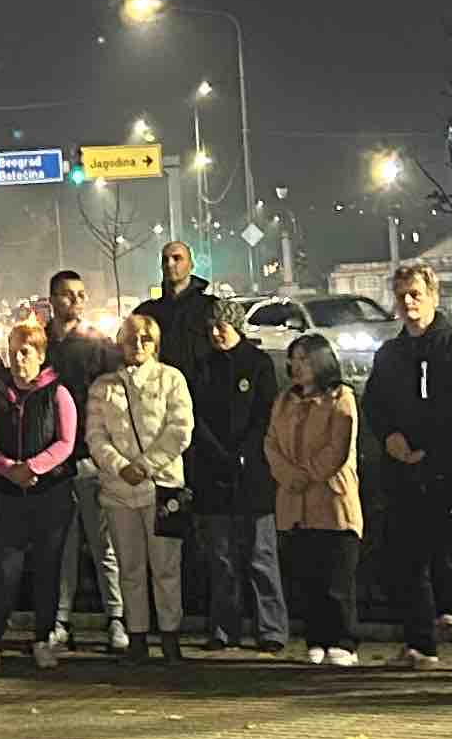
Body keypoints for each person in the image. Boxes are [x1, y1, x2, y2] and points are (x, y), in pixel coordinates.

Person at [356, 265, 452, 673]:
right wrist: (390, 437)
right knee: (408, 561)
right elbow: (375, 403)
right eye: (401, 295)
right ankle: (420, 644)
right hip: (401, 472)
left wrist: (421, 444)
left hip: (446, 469)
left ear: (433, 296)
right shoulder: (390, 353)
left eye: (415, 294)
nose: (408, 302)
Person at [0, 314, 81, 672]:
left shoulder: (58, 393)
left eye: (26, 352)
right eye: (14, 351)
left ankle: (43, 639)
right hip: (8, 496)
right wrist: (10, 470)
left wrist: (33, 467)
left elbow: (66, 441)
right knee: (5, 570)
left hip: (51, 494)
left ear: (41, 355)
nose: (19, 359)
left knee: (48, 569)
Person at [86, 308, 196, 662]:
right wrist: (121, 467)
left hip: (164, 489)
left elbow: (180, 429)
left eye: (146, 338)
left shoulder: (171, 379)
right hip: (118, 492)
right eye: (131, 338)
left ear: (156, 344)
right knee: (129, 567)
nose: (138, 344)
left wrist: (145, 466)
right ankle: (136, 636)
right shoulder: (103, 387)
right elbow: (95, 437)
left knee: (167, 567)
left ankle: (170, 635)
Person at [183, 291, 287, 653]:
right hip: (214, 475)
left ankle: (271, 629)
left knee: (261, 556)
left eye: (222, 326)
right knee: (221, 558)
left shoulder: (258, 364)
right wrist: (217, 454)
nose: (216, 333)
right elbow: (195, 416)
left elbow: (266, 414)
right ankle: (223, 629)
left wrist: (245, 452)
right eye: (211, 326)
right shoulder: (203, 367)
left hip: (253, 475)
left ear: (237, 326)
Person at [42, 269, 130, 650]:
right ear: (52, 299)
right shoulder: (40, 343)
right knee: (61, 545)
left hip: (91, 457)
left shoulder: (97, 346)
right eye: (67, 294)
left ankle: (117, 617)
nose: (76, 300)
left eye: (80, 294)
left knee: (103, 544)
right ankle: (60, 619)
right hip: (52, 462)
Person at [267, 330, 364, 668]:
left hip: (332, 500)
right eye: (293, 359)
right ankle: (316, 638)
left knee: (336, 576)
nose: (297, 366)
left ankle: (343, 640)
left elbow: (338, 446)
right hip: (294, 503)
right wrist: (287, 474)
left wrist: (306, 474)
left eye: (305, 360)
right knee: (306, 576)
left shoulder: (341, 398)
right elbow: (271, 443)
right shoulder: (284, 401)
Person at [134, 238, 220, 382]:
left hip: (201, 391)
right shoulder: (146, 312)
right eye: (165, 260)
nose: (170, 264)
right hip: (159, 391)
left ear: (191, 265)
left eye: (177, 258)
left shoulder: (211, 307)